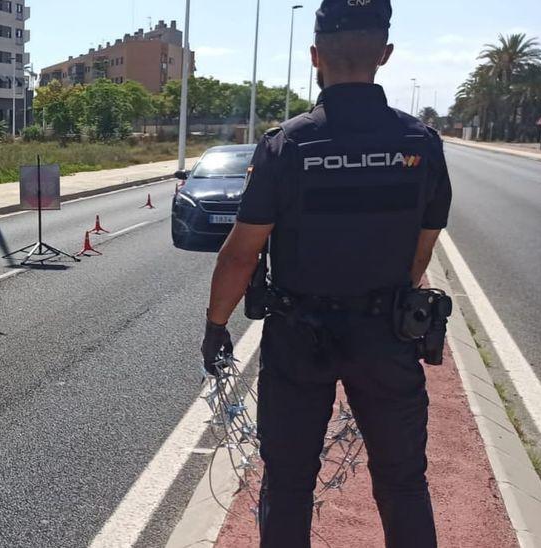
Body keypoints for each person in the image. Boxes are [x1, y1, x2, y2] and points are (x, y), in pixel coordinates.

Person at [200, 1, 451, 546]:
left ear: (316, 56)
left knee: (288, 485)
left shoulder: (286, 145)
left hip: (298, 339)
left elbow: (241, 254)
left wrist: (216, 327)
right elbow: (420, 252)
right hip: (388, 335)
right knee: (404, 484)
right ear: (385, 54)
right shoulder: (422, 144)